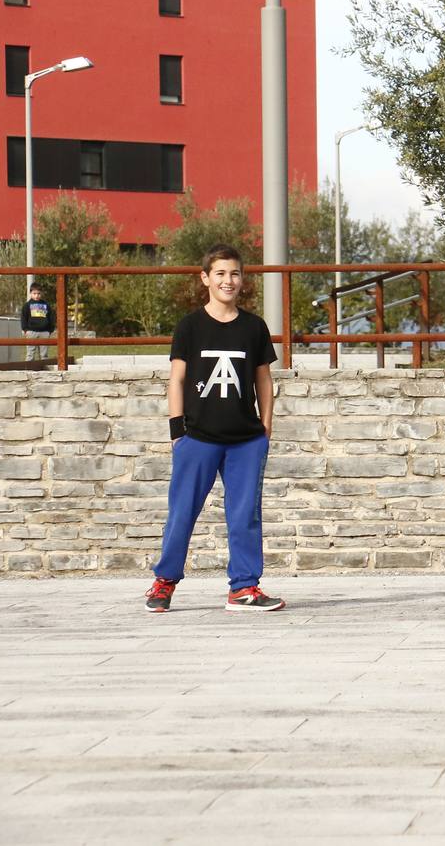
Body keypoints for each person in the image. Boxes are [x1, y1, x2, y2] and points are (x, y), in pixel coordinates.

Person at [144, 245, 282, 613]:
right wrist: (177, 432)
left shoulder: (254, 327)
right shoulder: (190, 326)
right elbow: (176, 380)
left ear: (243, 279)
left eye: (234, 273)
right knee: (182, 513)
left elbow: (264, 381)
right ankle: (164, 583)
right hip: (198, 438)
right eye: (220, 273)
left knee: (245, 515)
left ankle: (244, 588)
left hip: (246, 441)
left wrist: (266, 426)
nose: (228, 280)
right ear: (205, 278)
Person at [19, 283, 54, 361]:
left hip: (44, 332)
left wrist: (50, 330)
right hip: (31, 332)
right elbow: (24, 318)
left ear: (41, 293)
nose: (36, 295)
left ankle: (45, 370)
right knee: (30, 354)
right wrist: (25, 330)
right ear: (30, 293)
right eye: (34, 293)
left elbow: (51, 317)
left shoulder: (46, 305)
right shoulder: (27, 305)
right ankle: (28, 370)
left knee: (44, 355)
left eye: (38, 293)